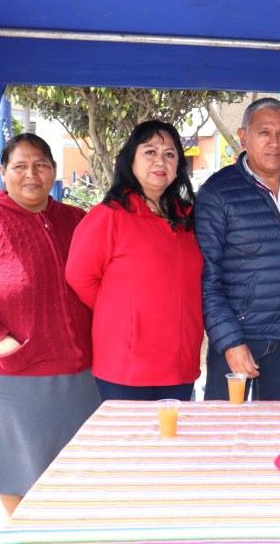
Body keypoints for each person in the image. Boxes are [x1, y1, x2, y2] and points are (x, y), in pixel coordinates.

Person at [0, 133, 100, 517]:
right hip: (11, 371)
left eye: (40, 165)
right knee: (18, 472)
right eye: (20, 166)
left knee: (76, 470)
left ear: (54, 171)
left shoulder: (75, 219)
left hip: (78, 372)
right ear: (3, 172)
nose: (31, 174)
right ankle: (25, 535)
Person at [66, 120, 203, 402]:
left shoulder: (190, 218)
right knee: (132, 433)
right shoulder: (109, 216)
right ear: (131, 159)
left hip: (180, 363)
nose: (160, 161)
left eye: (169, 154)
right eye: (150, 151)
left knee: (174, 432)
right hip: (126, 366)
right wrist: (124, 312)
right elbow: (79, 277)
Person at [196, 98, 280, 401]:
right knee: (225, 422)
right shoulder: (218, 192)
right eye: (264, 132)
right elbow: (207, 277)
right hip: (240, 336)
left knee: (279, 424)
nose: (274, 143)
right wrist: (229, 341)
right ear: (243, 136)